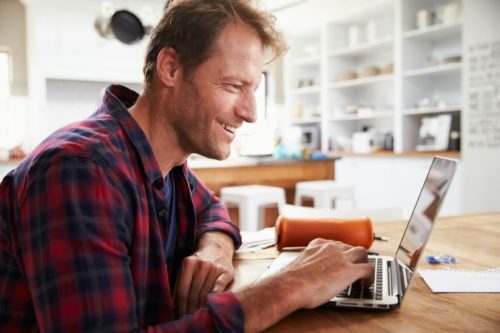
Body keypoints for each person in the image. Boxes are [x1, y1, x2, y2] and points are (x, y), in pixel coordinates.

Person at [0, 0, 374, 332]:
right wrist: (291, 285)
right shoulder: (82, 171)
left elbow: (212, 209)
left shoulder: (165, 163)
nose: (250, 113)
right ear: (171, 68)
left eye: (253, 90)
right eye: (232, 86)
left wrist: (215, 247)